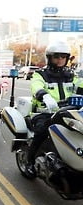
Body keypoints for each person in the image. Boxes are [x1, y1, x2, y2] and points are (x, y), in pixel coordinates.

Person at [28, 40, 83, 171]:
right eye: (56, 56)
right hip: (44, 113)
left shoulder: (71, 75)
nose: (60, 60)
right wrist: (44, 95)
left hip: (67, 112)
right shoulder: (40, 74)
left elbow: (80, 84)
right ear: (50, 58)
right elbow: (36, 85)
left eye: (63, 57)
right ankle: (30, 161)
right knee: (41, 131)